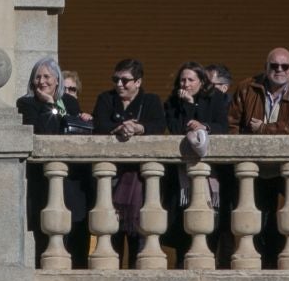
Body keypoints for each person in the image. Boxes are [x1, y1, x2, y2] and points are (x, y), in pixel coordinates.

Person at [19, 57, 90, 262]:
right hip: (44, 181)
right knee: (47, 239)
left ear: (57, 80)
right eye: (37, 77)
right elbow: (46, 132)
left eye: (47, 76)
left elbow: (74, 134)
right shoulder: (26, 103)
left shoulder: (70, 102)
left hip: (73, 181)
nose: (42, 81)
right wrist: (49, 105)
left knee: (76, 239)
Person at [94, 58, 165, 261]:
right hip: (112, 175)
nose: (119, 85)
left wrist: (140, 128)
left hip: (140, 178)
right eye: (115, 79)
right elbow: (99, 125)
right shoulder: (106, 99)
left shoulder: (150, 100)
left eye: (125, 80)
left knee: (138, 230)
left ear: (138, 82)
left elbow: (159, 125)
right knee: (111, 229)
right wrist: (119, 128)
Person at [228, 48, 289, 135]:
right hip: (250, 149)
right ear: (265, 67)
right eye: (274, 66)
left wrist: (263, 128)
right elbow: (232, 124)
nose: (279, 69)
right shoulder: (246, 88)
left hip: (287, 150)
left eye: (285, 66)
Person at [166, 60, 230, 135]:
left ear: (201, 82)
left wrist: (204, 126)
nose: (186, 84)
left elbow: (223, 127)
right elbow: (176, 130)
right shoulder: (172, 102)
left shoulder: (215, 96)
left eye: (191, 80)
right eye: (183, 80)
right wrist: (189, 103)